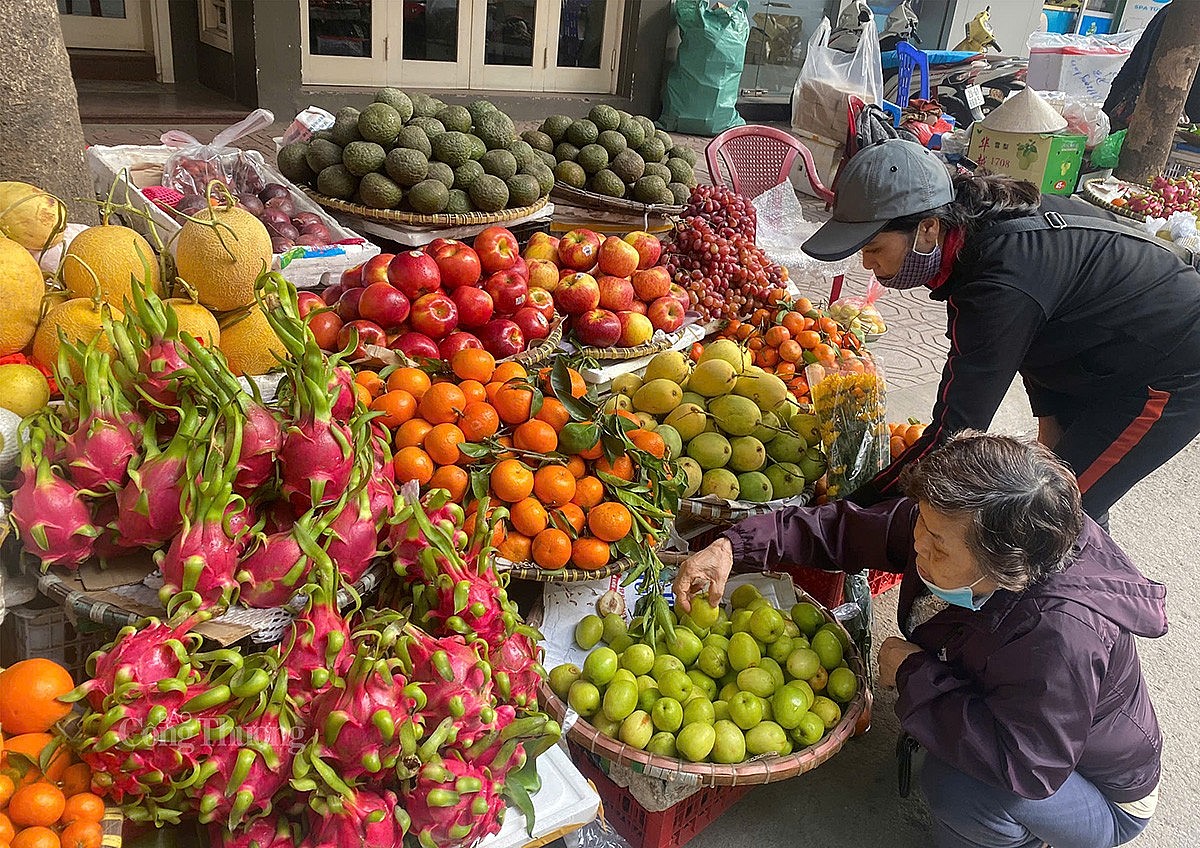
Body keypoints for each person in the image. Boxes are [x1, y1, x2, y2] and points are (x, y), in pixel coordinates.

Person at [673, 432, 1165, 848]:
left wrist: (914, 672)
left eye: (938, 545)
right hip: (1034, 722)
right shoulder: (957, 522)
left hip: (1099, 790)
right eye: (922, 527)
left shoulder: (1059, 637)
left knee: (956, 789)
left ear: (1005, 567)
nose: (918, 546)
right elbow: (844, 529)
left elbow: (1029, 769)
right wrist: (732, 546)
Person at [802, 139, 1200, 527]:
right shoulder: (979, 237)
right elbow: (1035, 329)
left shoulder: (998, 282)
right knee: (1064, 483)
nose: (868, 265)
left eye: (873, 248)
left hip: (1169, 367)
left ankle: (1084, 589)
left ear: (927, 227)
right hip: (1099, 348)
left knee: (1052, 516)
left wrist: (847, 510)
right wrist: (1049, 420)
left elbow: (954, 432)